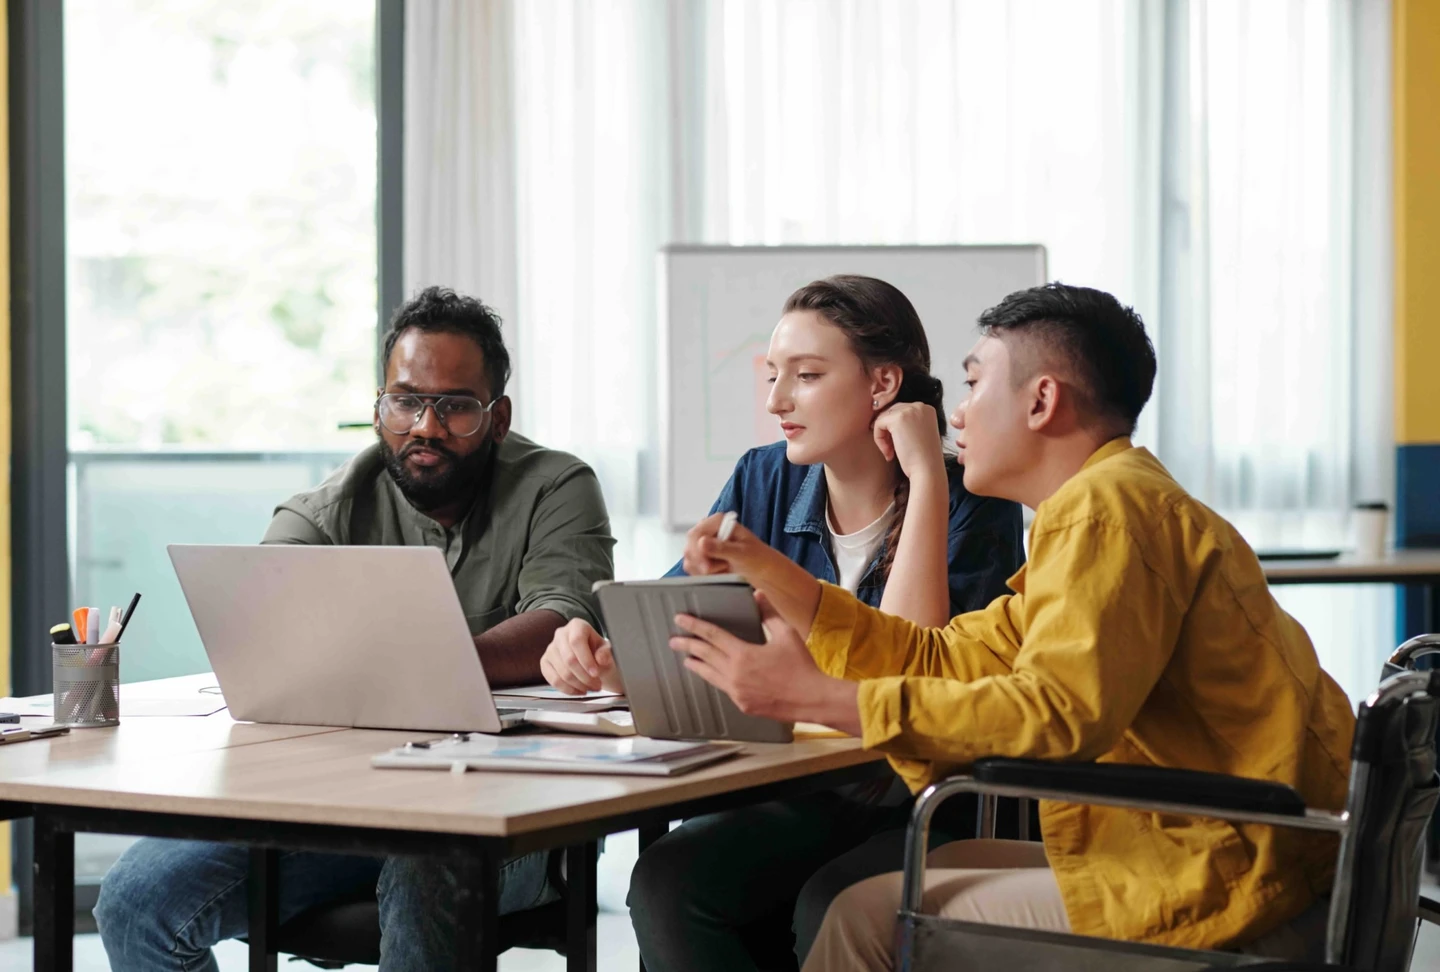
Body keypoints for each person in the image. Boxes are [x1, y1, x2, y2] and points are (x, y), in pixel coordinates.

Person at [669, 282, 1356, 969]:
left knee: (861, 916)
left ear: (1042, 400)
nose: (957, 413)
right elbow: (942, 657)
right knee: (896, 883)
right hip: (1230, 848)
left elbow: (1056, 714)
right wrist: (771, 571)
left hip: (1248, 876)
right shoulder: (1102, 504)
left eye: (974, 384)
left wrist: (814, 696)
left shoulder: (1106, 511)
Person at [93, 286, 616, 972]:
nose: (425, 426)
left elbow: (562, 621)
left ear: (498, 418)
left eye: (456, 406)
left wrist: (403, 662)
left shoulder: (557, 485)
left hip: (510, 808)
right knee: (136, 901)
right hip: (343, 803)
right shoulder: (328, 506)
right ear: (378, 408)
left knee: (428, 865)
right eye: (405, 402)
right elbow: (260, 625)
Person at [541, 275, 1025, 970]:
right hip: (792, 789)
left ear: (883, 383)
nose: (776, 401)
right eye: (773, 375)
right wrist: (609, 656)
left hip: (919, 799)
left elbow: (908, 668)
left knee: (827, 901)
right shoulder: (763, 478)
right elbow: (678, 622)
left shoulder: (972, 499)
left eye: (807, 375)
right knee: (667, 880)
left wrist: (925, 478)